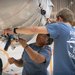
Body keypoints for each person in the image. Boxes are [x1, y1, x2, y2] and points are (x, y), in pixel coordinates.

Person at [3, 8, 75, 75]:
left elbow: (34, 30)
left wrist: (14, 31)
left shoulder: (46, 49)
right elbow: (22, 63)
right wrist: (15, 61)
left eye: (43, 35)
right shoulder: (72, 31)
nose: (39, 35)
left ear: (59, 18)